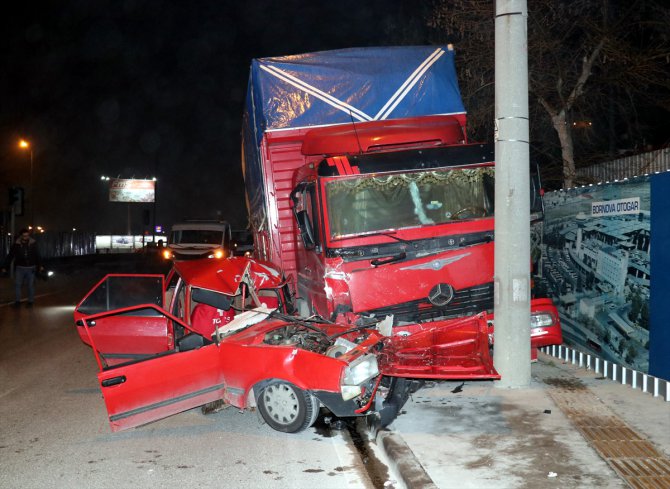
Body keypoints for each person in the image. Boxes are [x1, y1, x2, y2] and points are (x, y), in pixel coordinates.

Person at [2, 229, 44, 308]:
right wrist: (5, 267)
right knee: (17, 285)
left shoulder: (33, 243)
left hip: (31, 268)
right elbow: (10, 256)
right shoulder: (16, 244)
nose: (26, 237)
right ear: (21, 236)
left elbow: (38, 255)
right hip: (20, 268)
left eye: (27, 235)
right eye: (24, 236)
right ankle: (17, 302)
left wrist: (40, 266)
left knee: (30, 285)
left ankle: (30, 302)